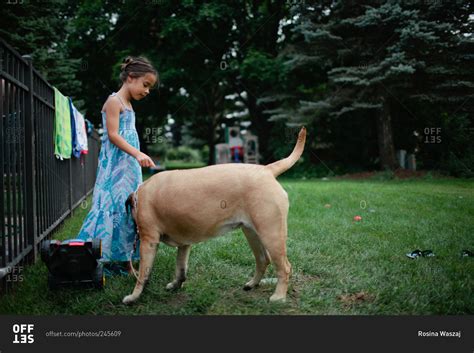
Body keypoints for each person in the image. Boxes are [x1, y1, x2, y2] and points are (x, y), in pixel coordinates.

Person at [77, 56, 158, 276]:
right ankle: (97, 255)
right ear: (131, 78)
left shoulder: (129, 104)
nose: (147, 91)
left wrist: (135, 158)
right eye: (145, 84)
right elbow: (113, 135)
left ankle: (125, 260)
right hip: (115, 168)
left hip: (128, 168)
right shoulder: (114, 101)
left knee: (129, 207)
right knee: (111, 207)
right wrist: (138, 153)